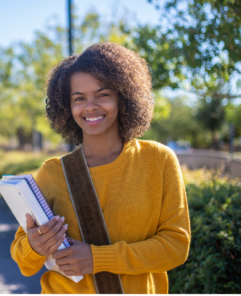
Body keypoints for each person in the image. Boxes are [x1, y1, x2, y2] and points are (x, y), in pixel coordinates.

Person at [11, 42, 191, 294]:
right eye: (79, 98)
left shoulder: (158, 160)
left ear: (123, 96)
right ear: (67, 106)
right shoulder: (53, 173)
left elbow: (176, 247)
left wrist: (98, 259)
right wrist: (35, 246)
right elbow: (23, 261)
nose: (90, 106)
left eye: (103, 94)